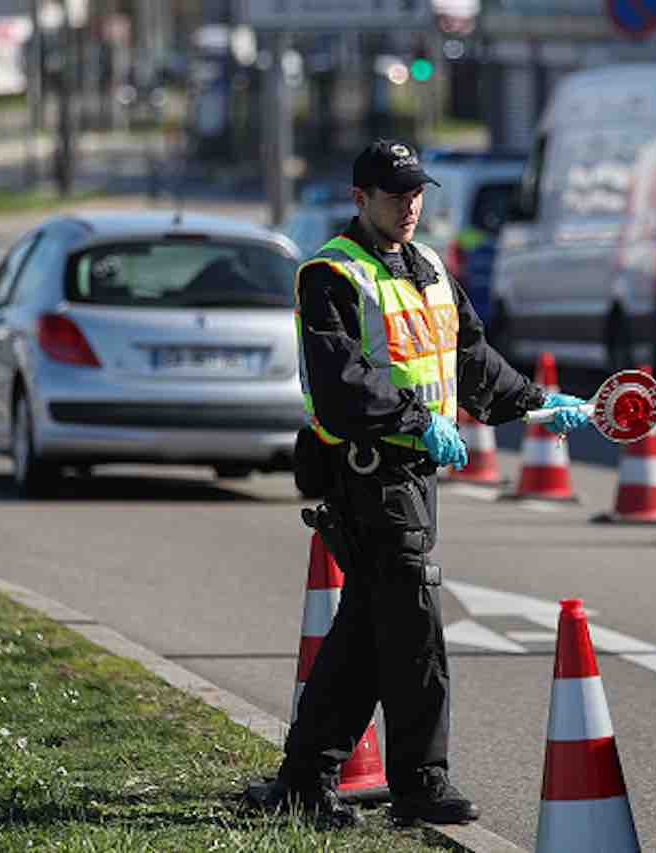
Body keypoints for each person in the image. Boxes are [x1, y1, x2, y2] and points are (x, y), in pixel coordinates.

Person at [244, 140, 591, 827]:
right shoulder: (331, 275)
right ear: (359, 198)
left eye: (416, 192)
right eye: (394, 193)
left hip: (415, 473)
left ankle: (304, 778)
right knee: (413, 630)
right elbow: (343, 383)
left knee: (368, 633)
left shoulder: (429, 264)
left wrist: (534, 402)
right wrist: (414, 418)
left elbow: (471, 358)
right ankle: (420, 784)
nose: (409, 205)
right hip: (368, 473)